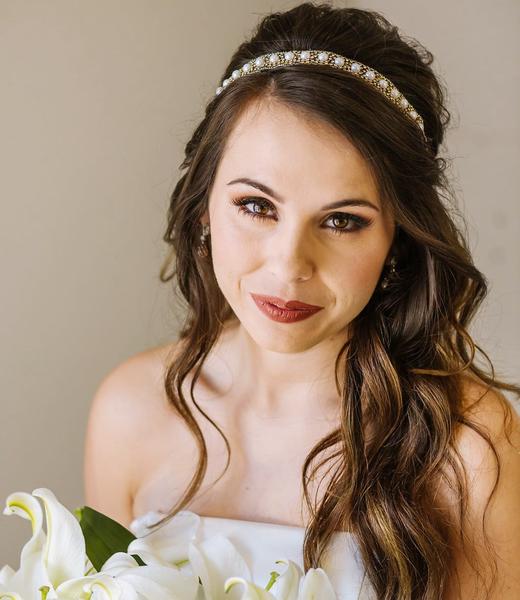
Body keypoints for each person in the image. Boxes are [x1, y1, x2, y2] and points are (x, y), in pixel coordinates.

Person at [83, 3, 520, 598]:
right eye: (256, 206)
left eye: (342, 221)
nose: (289, 266)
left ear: (396, 237)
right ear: (204, 202)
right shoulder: (128, 412)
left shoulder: (466, 444)